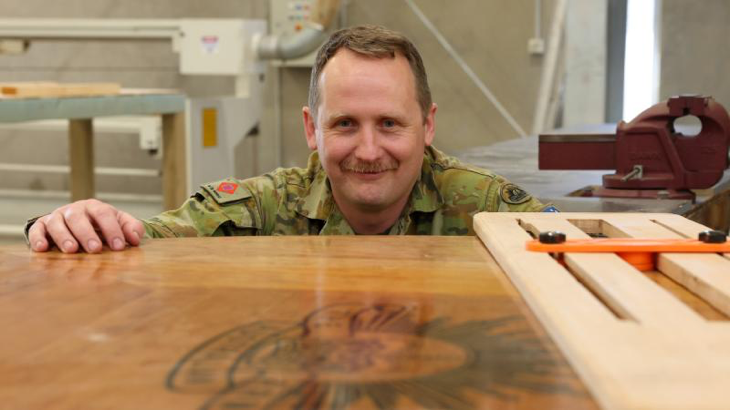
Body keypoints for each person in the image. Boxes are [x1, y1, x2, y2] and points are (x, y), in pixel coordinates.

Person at [26, 25, 553, 254]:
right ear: (310, 129)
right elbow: (145, 241)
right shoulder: (267, 207)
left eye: (390, 123)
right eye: (344, 124)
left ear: (429, 126)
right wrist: (72, 226)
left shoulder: (484, 209)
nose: (368, 151)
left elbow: (583, 257)